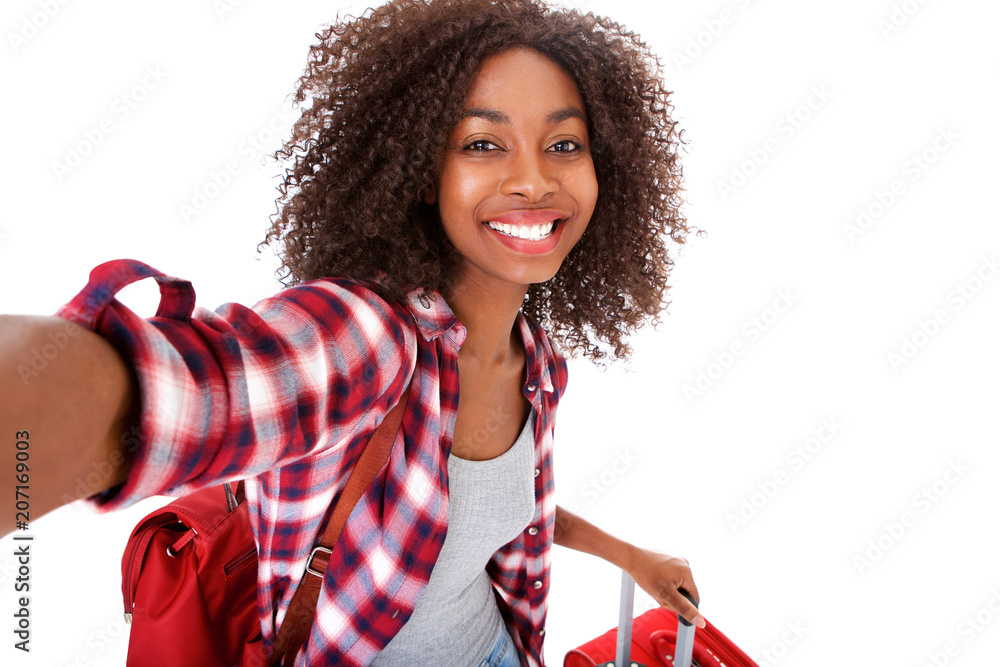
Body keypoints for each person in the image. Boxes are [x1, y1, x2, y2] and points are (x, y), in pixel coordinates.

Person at [0, 0, 703, 664]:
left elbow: (506, 511)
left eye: (564, 143)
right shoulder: (368, 338)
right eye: (484, 143)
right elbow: (186, 394)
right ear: (424, 173)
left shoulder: (540, 366)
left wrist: (631, 555)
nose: (532, 180)